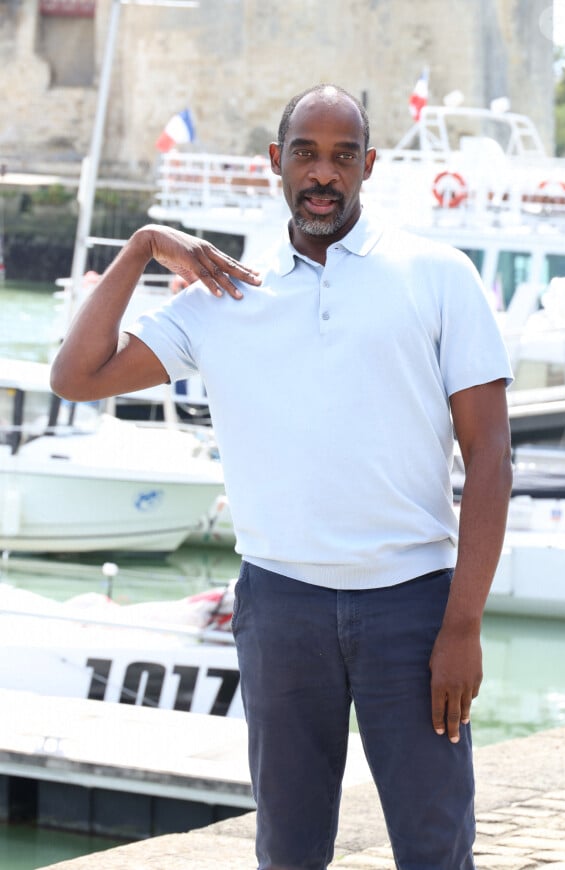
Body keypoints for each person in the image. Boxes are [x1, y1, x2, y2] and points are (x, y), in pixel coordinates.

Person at [51, 84, 513, 870]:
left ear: (369, 165)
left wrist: (462, 625)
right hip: (281, 608)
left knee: (436, 849)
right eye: (305, 153)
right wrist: (144, 245)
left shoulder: (438, 276)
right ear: (277, 163)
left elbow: (492, 460)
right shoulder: (225, 295)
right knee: (289, 853)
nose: (323, 174)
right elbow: (76, 376)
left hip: (412, 608)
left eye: (342, 156)